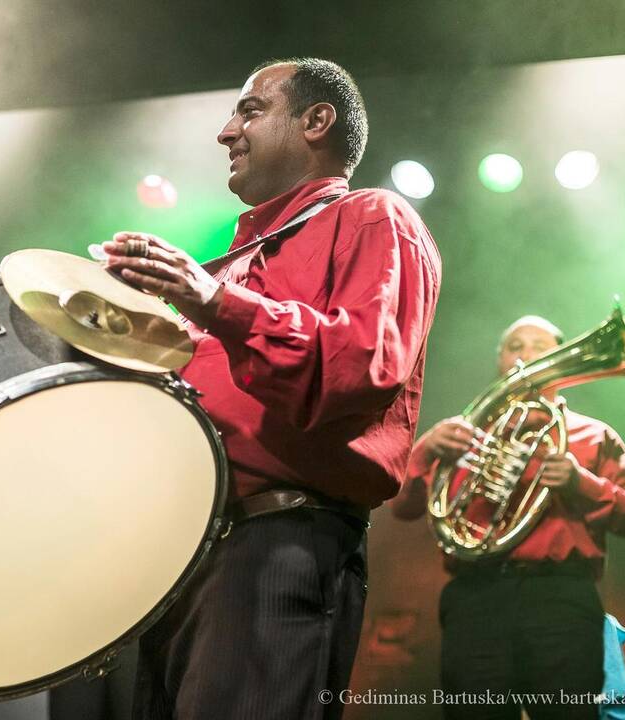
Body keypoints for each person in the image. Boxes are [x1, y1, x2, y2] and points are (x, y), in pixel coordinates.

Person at [103, 58, 442, 720]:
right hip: (181, 556)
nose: (226, 131)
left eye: (250, 110)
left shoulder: (374, 215)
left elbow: (358, 366)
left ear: (316, 121)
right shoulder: (234, 260)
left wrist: (215, 303)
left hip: (277, 542)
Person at [392, 315, 625, 720]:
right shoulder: (468, 435)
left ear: (564, 361)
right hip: (475, 599)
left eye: (540, 347)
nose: (526, 356)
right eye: (515, 347)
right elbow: (404, 507)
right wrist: (426, 449)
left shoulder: (594, 435)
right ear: (499, 361)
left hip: (561, 600)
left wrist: (579, 482)